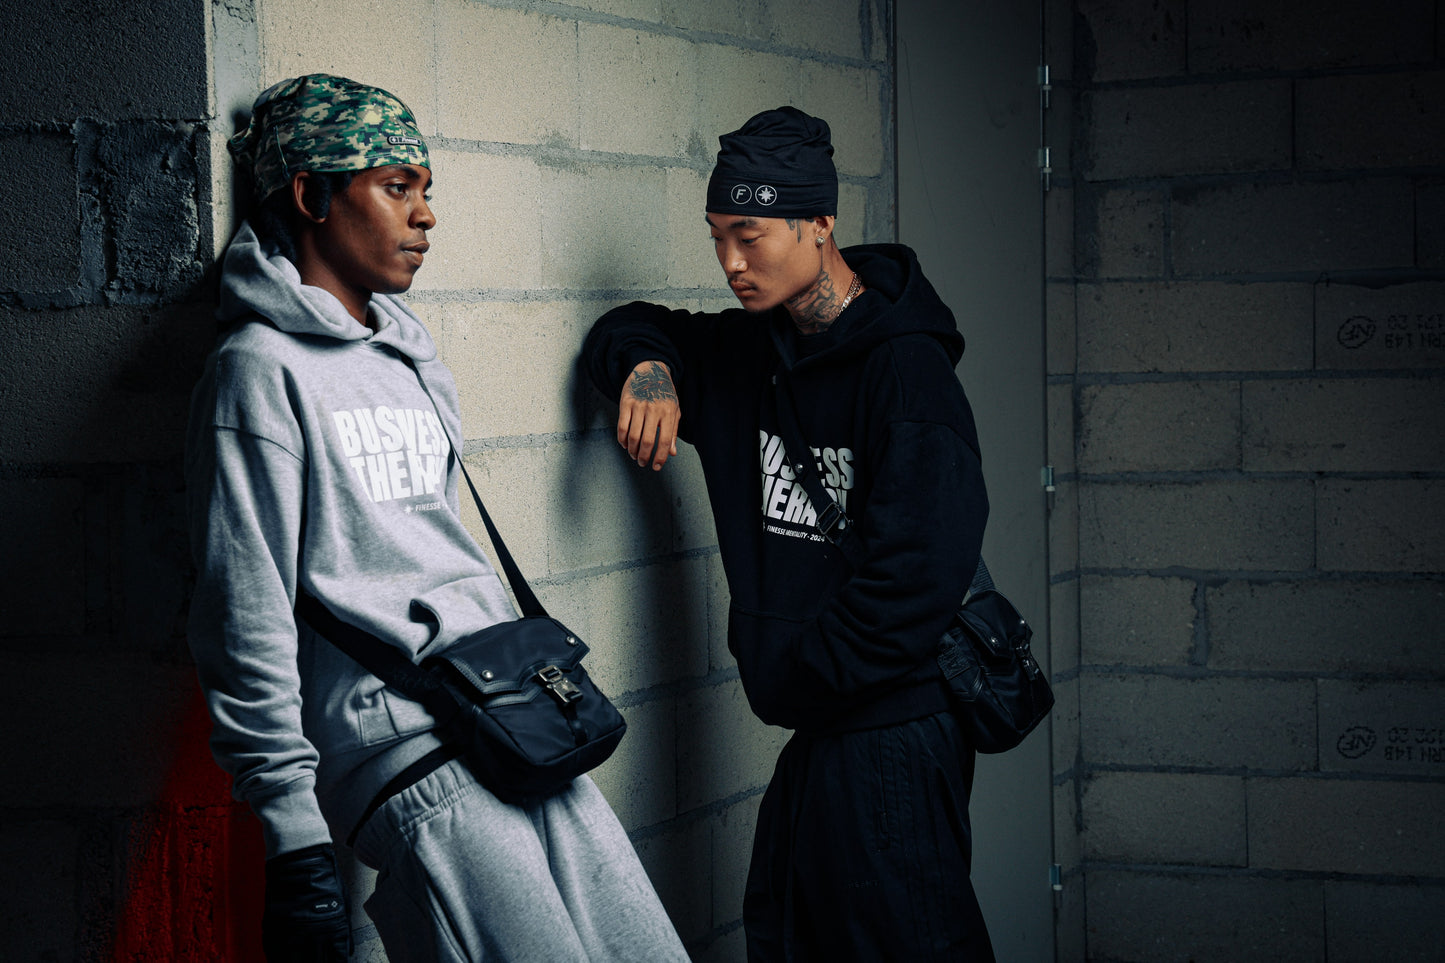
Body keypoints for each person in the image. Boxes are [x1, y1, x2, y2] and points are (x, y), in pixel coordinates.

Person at [186, 73, 689, 963]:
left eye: (427, 191)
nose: (424, 216)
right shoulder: (257, 373)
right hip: (399, 751)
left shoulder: (413, 359)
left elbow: (434, 550)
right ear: (311, 194)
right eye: (395, 187)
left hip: (508, 723)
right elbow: (244, 612)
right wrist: (293, 830)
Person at [583, 107, 997, 961]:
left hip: (891, 729)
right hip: (822, 731)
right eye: (716, 236)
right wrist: (652, 371)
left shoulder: (907, 374)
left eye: (750, 234)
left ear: (819, 222)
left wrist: (798, 674)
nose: (730, 262)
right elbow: (627, 325)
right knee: (788, 935)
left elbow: (914, 580)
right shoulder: (748, 355)